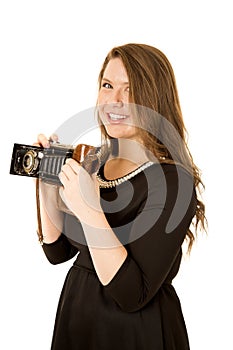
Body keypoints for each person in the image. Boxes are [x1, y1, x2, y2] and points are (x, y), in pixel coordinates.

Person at [34, 43, 206, 350]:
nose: (116, 100)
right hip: (78, 319)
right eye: (108, 85)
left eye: (132, 89)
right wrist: (48, 182)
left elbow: (131, 295)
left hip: (137, 331)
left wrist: (88, 208)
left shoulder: (173, 180)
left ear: (155, 98)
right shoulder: (93, 162)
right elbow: (56, 251)